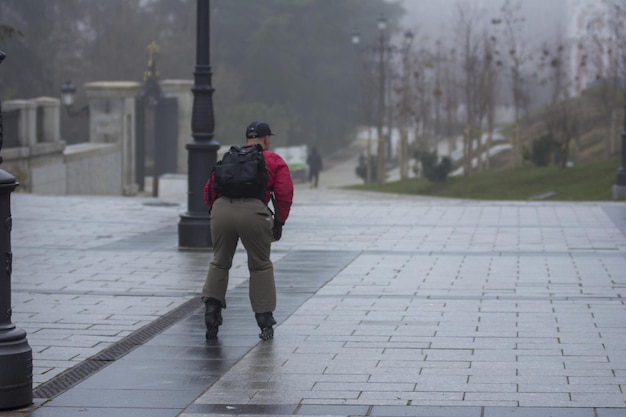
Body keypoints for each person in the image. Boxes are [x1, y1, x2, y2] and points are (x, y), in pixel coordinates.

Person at [202, 121, 294, 341]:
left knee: (220, 261)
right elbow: (283, 191)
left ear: (247, 139)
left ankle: (211, 312)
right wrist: (279, 221)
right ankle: (264, 322)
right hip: (254, 212)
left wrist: (215, 211)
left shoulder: (230, 156)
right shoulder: (272, 159)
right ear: (266, 139)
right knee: (260, 265)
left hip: (222, 209)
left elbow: (209, 189)